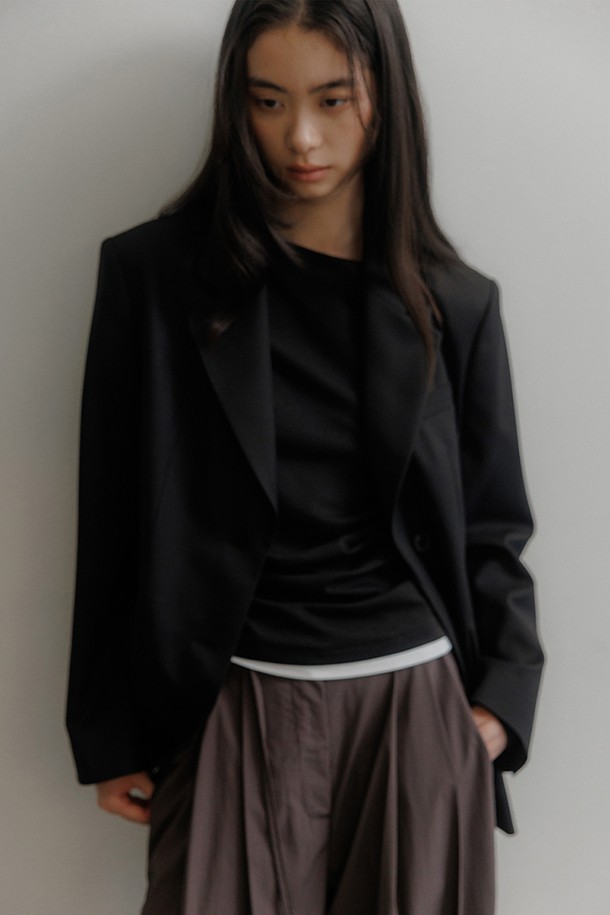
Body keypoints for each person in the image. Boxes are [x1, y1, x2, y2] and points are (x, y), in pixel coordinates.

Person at [66, 1, 544, 912]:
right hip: (225, 701)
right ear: (235, 104)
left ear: (385, 95)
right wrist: (106, 728)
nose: (302, 139)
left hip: (414, 710)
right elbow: (111, 515)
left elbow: (494, 522)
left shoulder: (455, 302)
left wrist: (503, 699)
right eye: (268, 101)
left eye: (333, 98)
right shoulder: (152, 279)